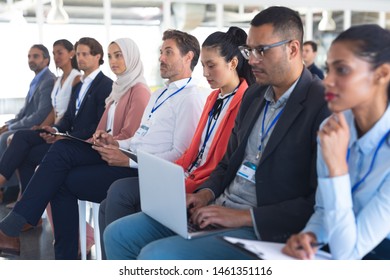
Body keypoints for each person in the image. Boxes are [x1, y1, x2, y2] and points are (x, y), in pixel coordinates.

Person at [103, 6, 330, 260]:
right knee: (118, 235)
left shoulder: (322, 106)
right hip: (218, 205)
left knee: (157, 256)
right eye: (249, 51)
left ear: (293, 49)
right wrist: (205, 194)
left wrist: (244, 216)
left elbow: (318, 202)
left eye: (261, 51)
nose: (252, 60)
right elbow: (226, 164)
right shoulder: (255, 96)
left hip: (262, 226)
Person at [0, 30, 206, 260]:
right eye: (160, 52)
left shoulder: (190, 98)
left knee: (60, 154)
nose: (161, 58)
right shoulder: (160, 95)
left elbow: (181, 156)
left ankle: (11, 228)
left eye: (168, 52)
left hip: (143, 171)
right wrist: (115, 143)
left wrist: (126, 158)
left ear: (189, 57)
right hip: (128, 156)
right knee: (59, 174)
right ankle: (64, 259)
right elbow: (138, 138)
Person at [97, 26, 255, 259]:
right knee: (108, 209)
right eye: (203, 66)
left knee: (120, 192)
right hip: (186, 175)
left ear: (232, 63)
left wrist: (189, 183)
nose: (205, 73)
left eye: (211, 66)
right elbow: (192, 152)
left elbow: (221, 164)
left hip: (201, 184)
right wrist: (168, 174)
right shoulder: (212, 97)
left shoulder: (243, 102)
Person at [282, 24, 390, 260]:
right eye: (328, 69)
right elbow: (323, 209)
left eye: (341, 70)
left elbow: (348, 255)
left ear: (382, 74)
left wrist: (337, 168)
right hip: (339, 244)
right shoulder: (332, 128)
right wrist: (311, 235)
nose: (327, 81)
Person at [0, 37, 111, 198]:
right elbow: (68, 117)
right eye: (78, 54)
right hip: (66, 134)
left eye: (85, 54)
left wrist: (66, 137)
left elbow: (98, 125)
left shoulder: (105, 84)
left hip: (83, 143)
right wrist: (55, 129)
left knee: (24, 148)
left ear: (98, 56)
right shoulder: (80, 85)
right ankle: (26, 201)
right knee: (21, 140)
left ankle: (18, 196)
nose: (80, 58)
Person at [2, 39, 81, 209]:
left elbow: (71, 113)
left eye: (60, 52)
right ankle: (26, 202)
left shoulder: (76, 79)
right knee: (22, 145)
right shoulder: (58, 80)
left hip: (64, 132)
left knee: (19, 138)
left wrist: (55, 130)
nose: (56, 56)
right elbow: (53, 110)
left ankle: (6, 183)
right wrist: (43, 126)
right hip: (53, 128)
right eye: (54, 53)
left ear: (71, 54)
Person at [0, 44, 56, 197]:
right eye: (29, 56)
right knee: (4, 133)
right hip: (30, 124)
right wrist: (8, 124)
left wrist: (12, 127)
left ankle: (9, 190)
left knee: (6, 137)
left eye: (36, 56)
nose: (31, 60)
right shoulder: (36, 80)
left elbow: (39, 115)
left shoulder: (48, 81)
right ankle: (8, 189)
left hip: (41, 127)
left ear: (46, 60)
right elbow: (23, 112)